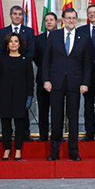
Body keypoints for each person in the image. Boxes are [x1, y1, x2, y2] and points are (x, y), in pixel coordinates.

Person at [42, 8, 91, 161]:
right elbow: (46, 61)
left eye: (73, 18)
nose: (71, 21)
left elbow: (87, 64)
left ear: (76, 20)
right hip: (55, 83)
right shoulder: (54, 36)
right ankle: (54, 152)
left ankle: (73, 152)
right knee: (56, 117)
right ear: (62, 20)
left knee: (73, 117)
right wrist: (46, 80)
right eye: (68, 18)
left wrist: (85, 83)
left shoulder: (84, 37)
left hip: (75, 84)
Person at [0, 33, 34, 161]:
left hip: (20, 97)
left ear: (20, 44)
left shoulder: (25, 60)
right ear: (7, 44)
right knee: (6, 125)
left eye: (16, 41)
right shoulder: (2, 60)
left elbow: (30, 81)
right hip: (4, 96)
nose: (13, 43)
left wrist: (29, 96)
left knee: (19, 125)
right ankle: (6, 149)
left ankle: (18, 150)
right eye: (11, 41)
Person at [0, 5, 35, 142]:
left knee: (22, 112)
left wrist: (21, 61)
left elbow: (31, 51)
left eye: (20, 14)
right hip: (6, 74)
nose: (17, 16)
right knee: (6, 113)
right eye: (15, 13)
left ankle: (25, 135)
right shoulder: (2, 32)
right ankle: (6, 139)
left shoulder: (29, 32)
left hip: (22, 72)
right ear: (10, 15)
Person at [76, 4, 95, 141]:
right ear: (87, 15)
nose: (92, 15)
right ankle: (89, 132)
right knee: (88, 105)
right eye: (90, 13)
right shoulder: (80, 31)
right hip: (86, 75)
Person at [34, 12, 57, 142]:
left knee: (56, 109)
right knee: (43, 109)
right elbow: (37, 58)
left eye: (51, 20)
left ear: (56, 22)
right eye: (46, 20)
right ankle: (43, 136)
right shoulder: (38, 39)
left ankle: (56, 135)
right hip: (42, 79)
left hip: (58, 79)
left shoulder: (61, 36)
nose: (49, 22)